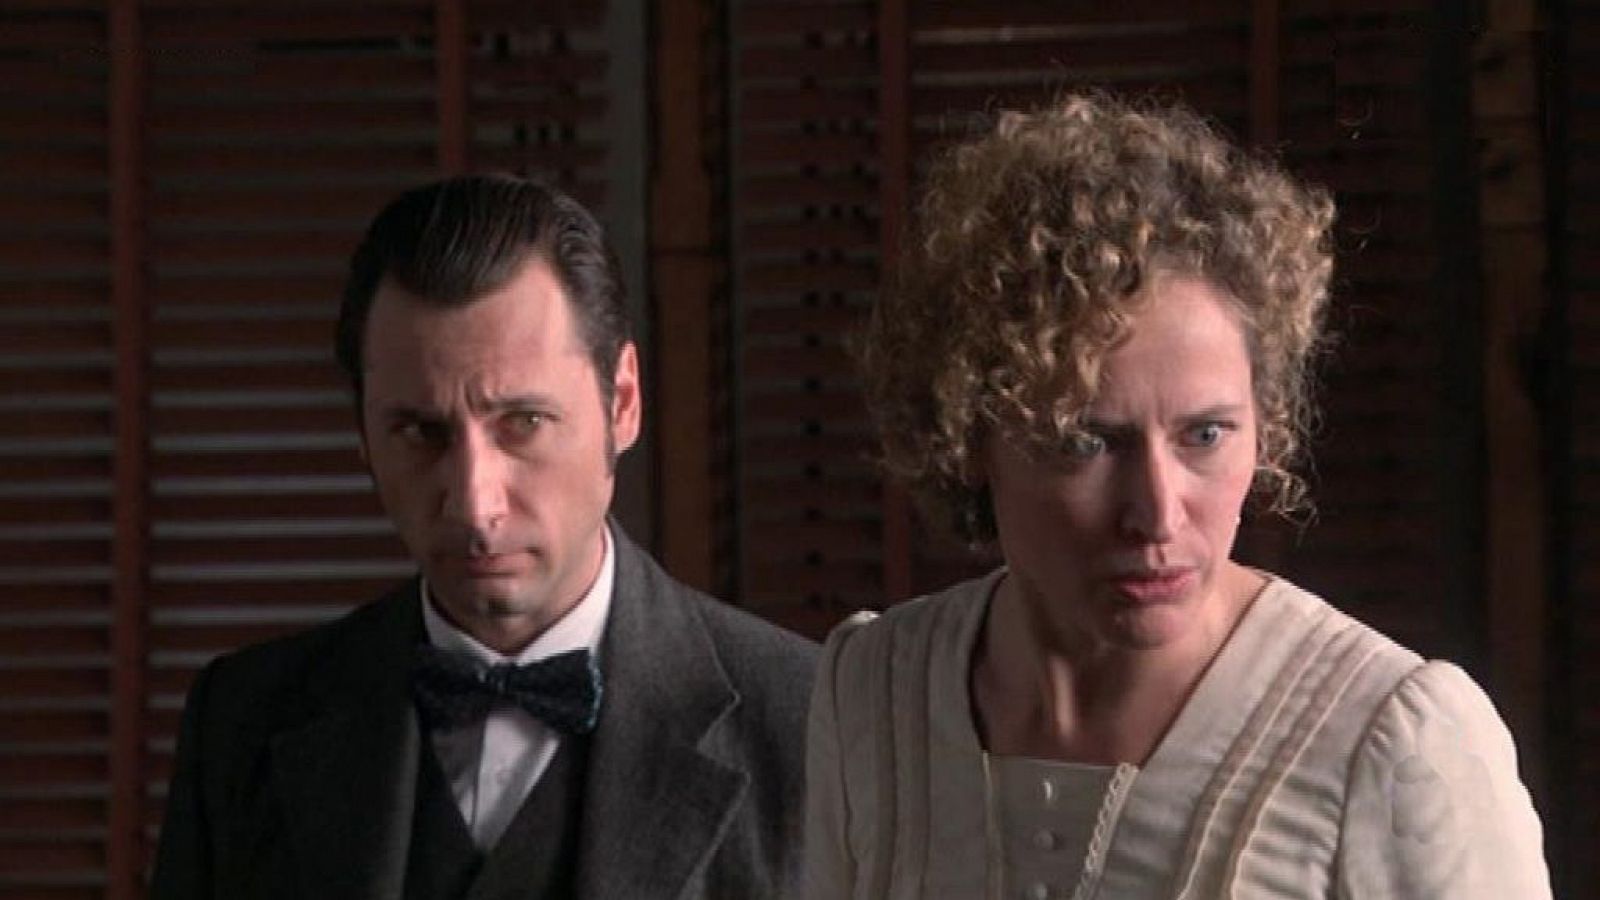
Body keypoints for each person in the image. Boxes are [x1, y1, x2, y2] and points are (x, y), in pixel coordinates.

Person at [803, 95, 1550, 898]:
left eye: (1205, 435)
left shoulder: (1394, 740)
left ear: (1266, 424)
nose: (1157, 514)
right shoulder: (874, 692)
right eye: (1087, 443)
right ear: (969, 435)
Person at [151, 174, 817, 899]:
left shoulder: (812, 722)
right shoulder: (240, 724)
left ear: (622, 403)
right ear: (363, 433)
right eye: (420, 432)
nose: (474, 506)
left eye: (523, 424)